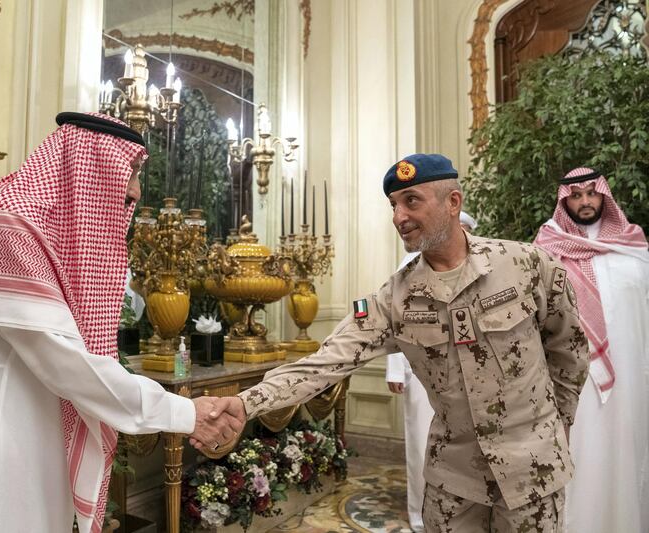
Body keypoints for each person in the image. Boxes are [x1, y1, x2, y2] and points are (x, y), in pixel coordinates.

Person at [0, 112, 243, 533]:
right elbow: (68, 364)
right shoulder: (13, 223)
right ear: (94, 165)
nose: (137, 189)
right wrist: (185, 413)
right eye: (132, 170)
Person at [204, 154, 589, 532]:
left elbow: (569, 351)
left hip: (532, 473)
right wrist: (243, 403)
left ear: (453, 202)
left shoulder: (526, 265)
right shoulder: (395, 298)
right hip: (455, 483)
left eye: (411, 201)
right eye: (393, 205)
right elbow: (324, 363)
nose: (398, 217)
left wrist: (555, 427)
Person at [534, 167, 649, 533]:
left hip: (632, 379)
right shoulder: (547, 250)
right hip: (571, 384)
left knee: (627, 455)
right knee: (579, 455)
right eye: (576, 195)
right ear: (564, 200)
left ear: (604, 196)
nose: (585, 201)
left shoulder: (634, 248)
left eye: (591, 193)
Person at [385, 210, 477, 532]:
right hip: (422, 376)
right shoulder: (408, 268)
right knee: (422, 444)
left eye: (465, 230)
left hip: (470, 378)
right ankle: (419, 515)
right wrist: (395, 371)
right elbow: (394, 325)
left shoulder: (482, 265)